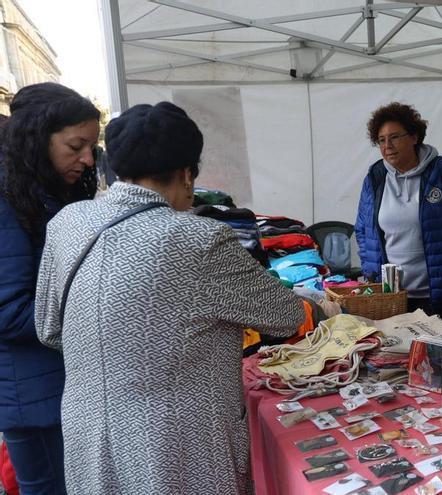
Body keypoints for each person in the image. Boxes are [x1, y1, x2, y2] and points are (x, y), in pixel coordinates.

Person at [33, 102, 307, 494]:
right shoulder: (198, 238)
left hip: (87, 438)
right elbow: (283, 315)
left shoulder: (67, 223)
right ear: (185, 174)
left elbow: (48, 329)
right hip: (177, 446)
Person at [0, 82, 100, 494]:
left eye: (92, 147)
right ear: (38, 139)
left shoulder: (41, 194)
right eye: (76, 145)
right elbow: (8, 313)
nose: (88, 158)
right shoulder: (9, 200)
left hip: (53, 390)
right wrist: (95, 311)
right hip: (35, 401)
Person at [355, 102, 442, 322]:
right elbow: (363, 229)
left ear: (414, 136)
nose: (387, 145)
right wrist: (370, 269)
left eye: (394, 137)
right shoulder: (375, 177)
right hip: (391, 296)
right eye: (381, 140)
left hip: (438, 294)